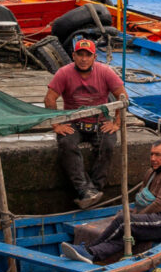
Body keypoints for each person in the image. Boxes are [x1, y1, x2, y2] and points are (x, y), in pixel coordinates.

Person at [61, 136, 161, 263]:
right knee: (124, 236)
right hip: (154, 217)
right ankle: (92, 255)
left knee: (124, 221)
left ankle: (87, 249)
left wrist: (133, 217)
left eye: (158, 155)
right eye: (151, 154)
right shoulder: (151, 172)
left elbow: (159, 204)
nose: (153, 158)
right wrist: (134, 213)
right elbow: (141, 199)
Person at [44, 37, 128, 207]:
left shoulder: (105, 72)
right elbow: (50, 99)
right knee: (67, 144)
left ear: (94, 57)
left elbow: (123, 96)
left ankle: (94, 190)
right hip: (74, 123)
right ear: (73, 55)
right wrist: (56, 124)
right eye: (80, 54)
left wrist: (117, 123)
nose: (83, 59)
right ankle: (84, 189)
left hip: (100, 121)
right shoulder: (64, 73)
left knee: (108, 145)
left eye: (87, 55)